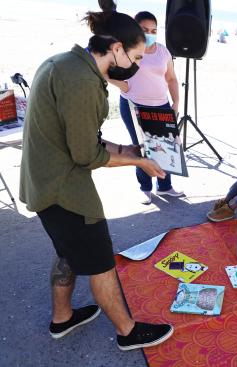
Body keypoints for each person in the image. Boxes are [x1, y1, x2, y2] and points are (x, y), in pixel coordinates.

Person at [19, 0, 173, 350]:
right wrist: (141, 164)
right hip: (64, 190)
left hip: (43, 180)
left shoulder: (64, 63)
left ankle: (62, 318)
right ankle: (127, 331)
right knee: (101, 261)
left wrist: (129, 150)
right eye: (134, 59)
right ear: (116, 49)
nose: (134, 66)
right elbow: (87, 155)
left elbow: (82, 135)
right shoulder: (83, 83)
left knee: (68, 251)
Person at [113, 11, 184, 205]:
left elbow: (171, 79)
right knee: (142, 149)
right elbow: (106, 71)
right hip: (134, 106)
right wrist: (123, 85)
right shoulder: (125, 49)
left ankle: (165, 186)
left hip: (161, 105)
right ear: (135, 29)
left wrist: (175, 102)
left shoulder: (163, 51)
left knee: (165, 148)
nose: (149, 33)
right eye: (145, 30)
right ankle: (145, 188)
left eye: (153, 30)